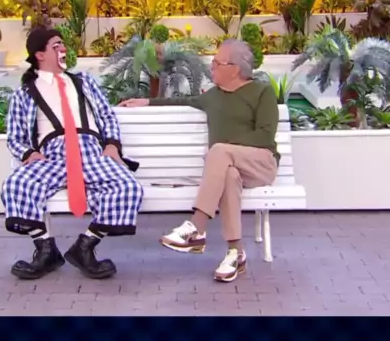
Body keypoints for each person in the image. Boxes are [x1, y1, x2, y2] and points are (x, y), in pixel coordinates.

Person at [119, 39, 279, 282]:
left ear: (235, 68)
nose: (211, 66)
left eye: (217, 62)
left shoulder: (261, 92)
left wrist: (226, 150)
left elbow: (265, 135)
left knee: (219, 151)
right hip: (229, 166)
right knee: (228, 175)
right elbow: (179, 101)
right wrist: (146, 101)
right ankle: (235, 253)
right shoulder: (212, 96)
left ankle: (197, 226)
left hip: (261, 163)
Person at [1, 27, 144, 281]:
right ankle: (45, 250)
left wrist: (112, 144)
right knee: (15, 185)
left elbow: (106, 115)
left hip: (90, 150)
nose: (63, 49)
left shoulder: (83, 81)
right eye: (56, 45)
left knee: (128, 187)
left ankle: (85, 247)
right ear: (40, 55)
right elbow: (15, 136)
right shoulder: (24, 93)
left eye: (62, 44)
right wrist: (28, 153)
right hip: (52, 155)